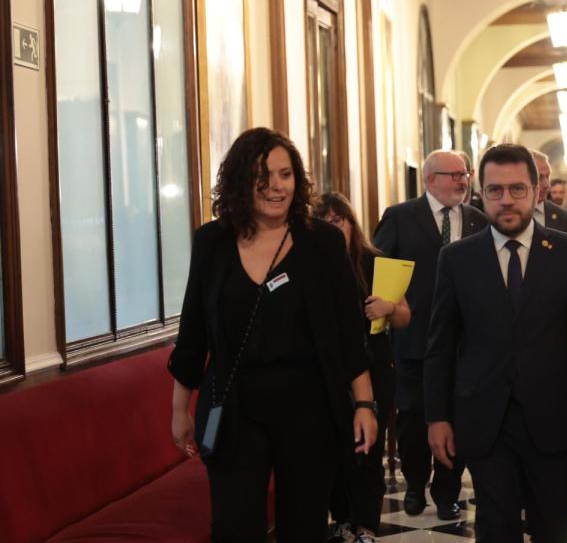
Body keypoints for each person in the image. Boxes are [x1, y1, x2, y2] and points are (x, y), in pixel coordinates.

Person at [168, 128, 377, 541]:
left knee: (304, 525)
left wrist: (365, 403)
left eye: (285, 174)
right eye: (263, 176)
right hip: (234, 407)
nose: (276, 187)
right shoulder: (212, 242)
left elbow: (349, 334)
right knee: (233, 525)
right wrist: (179, 408)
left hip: (309, 407)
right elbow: (193, 330)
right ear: (241, 181)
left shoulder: (323, 243)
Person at [424, 143, 567, 542]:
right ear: (481, 193)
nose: (505, 200)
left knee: (553, 522)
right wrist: (437, 416)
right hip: (483, 418)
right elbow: (440, 344)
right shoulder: (457, 258)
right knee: (495, 525)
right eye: (495, 190)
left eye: (516, 189)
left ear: (536, 190)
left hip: (553, 416)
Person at [373, 150, 489, 520]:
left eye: (465, 173)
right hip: (414, 339)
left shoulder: (477, 220)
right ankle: (414, 482)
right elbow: (381, 268)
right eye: (453, 174)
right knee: (413, 416)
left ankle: (447, 492)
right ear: (429, 179)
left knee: (457, 416)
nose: (462, 180)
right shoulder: (400, 217)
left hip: (464, 343)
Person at [314, 192, 408, 543]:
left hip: (375, 367)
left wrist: (388, 307)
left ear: (351, 224)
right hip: (330, 373)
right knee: (337, 450)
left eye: (338, 220)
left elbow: (405, 316)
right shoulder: (311, 263)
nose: (332, 227)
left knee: (368, 450)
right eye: (324, 221)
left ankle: (367, 524)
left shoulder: (375, 262)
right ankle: (342, 520)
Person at [530, 150, 567, 237]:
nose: (547, 185)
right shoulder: (507, 215)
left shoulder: (566, 218)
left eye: (548, 176)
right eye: (539, 177)